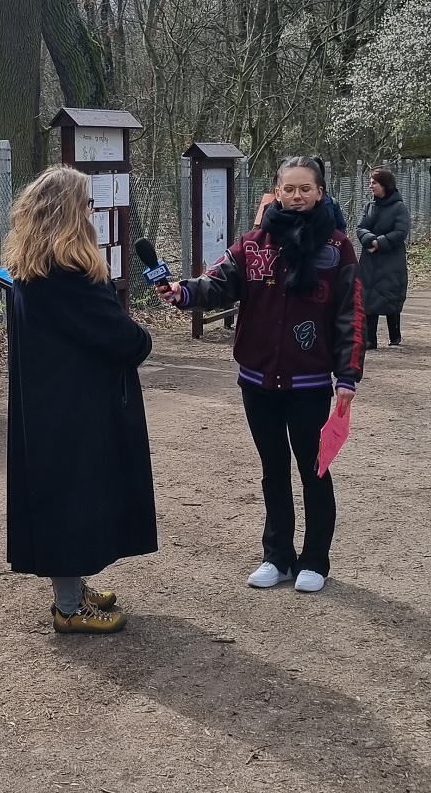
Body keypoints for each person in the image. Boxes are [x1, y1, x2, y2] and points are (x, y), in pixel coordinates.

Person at [168, 155, 363, 593]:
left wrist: (348, 376)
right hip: (257, 380)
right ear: (275, 192)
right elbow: (217, 283)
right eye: (288, 189)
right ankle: (277, 555)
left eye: (305, 189)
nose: (296, 197)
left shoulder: (336, 249)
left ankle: (315, 559)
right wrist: (182, 292)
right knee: (273, 467)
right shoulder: (252, 244)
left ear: (320, 192)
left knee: (313, 469)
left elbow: (351, 314)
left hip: (309, 382)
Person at [4, 166, 157, 635]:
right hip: (73, 406)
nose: (93, 214)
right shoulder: (68, 272)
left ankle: (71, 589)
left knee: (63, 493)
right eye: (87, 206)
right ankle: (69, 607)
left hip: (49, 401)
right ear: (73, 214)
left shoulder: (30, 267)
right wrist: (141, 335)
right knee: (71, 497)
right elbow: (122, 337)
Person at [356, 168, 410, 348]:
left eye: (374, 183)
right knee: (368, 297)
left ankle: (395, 335)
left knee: (390, 295)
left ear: (385, 185)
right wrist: (369, 240)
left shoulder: (399, 207)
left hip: (391, 259)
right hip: (369, 260)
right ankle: (370, 339)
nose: (370, 186)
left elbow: (401, 231)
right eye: (370, 182)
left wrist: (380, 242)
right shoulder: (369, 206)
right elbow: (360, 227)